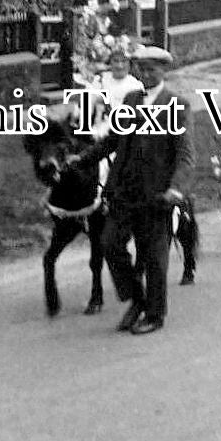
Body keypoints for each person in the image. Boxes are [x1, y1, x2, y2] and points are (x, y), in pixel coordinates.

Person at [71, 45, 194, 336]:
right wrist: (83, 157)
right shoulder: (130, 99)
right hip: (124, 189)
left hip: (157, 195)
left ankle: (154, 314)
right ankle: (137, 299)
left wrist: (177, 189)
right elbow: (113, 140)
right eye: (142, 69)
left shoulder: (176, 104)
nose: (147, 74)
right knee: (110, 243)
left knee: (153, 256)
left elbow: (186, 155)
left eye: (153, 69)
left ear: (164, 71)